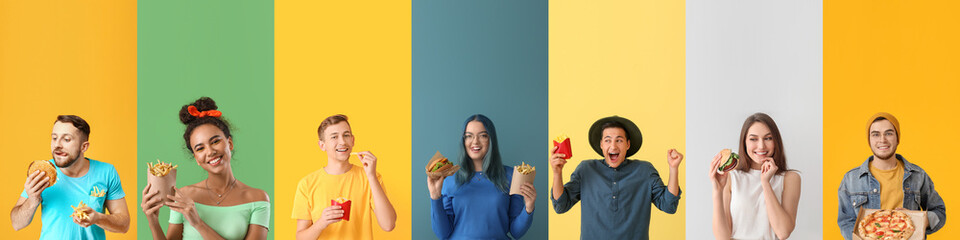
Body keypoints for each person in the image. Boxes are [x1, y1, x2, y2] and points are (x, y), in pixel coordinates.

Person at [141, 97, 270, 240]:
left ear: (230, 143)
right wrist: (153, 222)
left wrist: (198, 223)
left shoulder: (257, 199)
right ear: (196, 158)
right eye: (200, 148)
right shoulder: (183, 196)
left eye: (215, 141)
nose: (210, 152)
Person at [551, 115, 682, 239]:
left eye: (619, 140)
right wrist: (557, 173)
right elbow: (561, 206)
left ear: (628, 144)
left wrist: (673, 169)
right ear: (601, 144)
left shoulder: (645, 171)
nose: (613, 146)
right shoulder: (586, 169)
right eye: (608, 140)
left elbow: (669, 206)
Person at [10, 115, 130, 239]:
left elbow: (124, 225)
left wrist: (98, 218)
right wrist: (32, 200)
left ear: (84, 147)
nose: (57, 145)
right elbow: (16, 224)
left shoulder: (106, 172)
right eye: (54, 138)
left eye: (66, 139)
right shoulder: (42, 174)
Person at [837, 112, 946, 239]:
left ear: (897, 138)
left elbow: (939, 212)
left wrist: (919, 220)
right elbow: (845, 221)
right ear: (869, 140)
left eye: (888, 133)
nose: (882, 140)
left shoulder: (918, 175)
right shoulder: (851, 179)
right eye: (876, 134)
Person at [428, 114, 536, 239]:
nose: (475, 142)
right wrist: (435, 197)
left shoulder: (511, 175)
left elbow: (516, 232)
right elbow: (442, 233)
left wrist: (529, 208)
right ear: (463, 141)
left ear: (491, 140)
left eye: (483, 135)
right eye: (469, 136)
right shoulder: (450, 178)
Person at [292, 114, 396, 239]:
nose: (342, 142)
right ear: (322, 145)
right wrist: (321, 223)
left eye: (346, 135)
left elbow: (388, 224)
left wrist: (371, 176)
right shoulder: (307, 184)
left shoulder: (370, 177)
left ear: (352, 140)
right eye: (334, 137)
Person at [710, 113, 801, 239]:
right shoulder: (732, 176)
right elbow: (722, 237)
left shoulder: (790, 178)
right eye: (753, 139)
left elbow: (783, 232)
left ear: (776, 141)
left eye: (768, 138)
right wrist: (717, 191)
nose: (761, 146)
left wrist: (765, 183)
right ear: (744, 142)